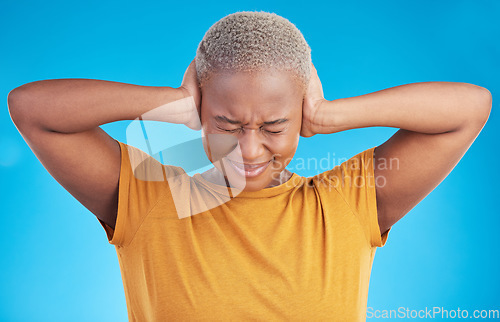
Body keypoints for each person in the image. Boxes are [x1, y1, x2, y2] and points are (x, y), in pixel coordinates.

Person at [7, 10, 491, 321]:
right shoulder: (149, 198)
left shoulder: (349, 202)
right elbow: (32, 109)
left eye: (274, 126)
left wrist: (327, 115)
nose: (251, 149)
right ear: (201, 113)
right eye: (228, 124)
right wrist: (172, 102)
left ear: (299, 113)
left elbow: (469, 109)